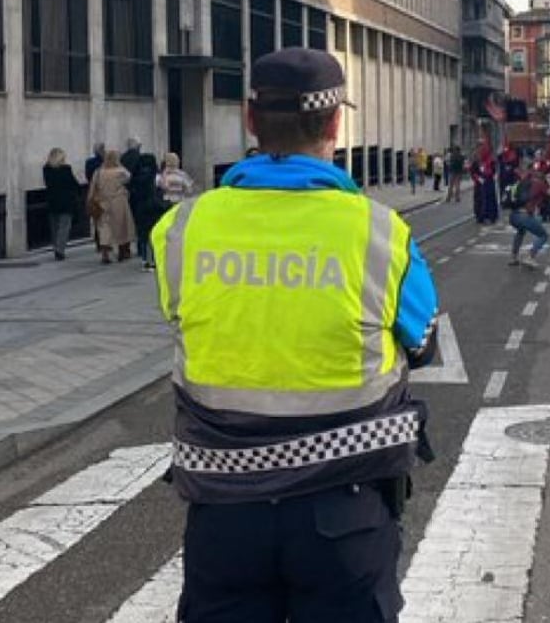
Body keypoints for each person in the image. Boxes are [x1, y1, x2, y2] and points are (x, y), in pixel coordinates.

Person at [151, 47, 438, 623]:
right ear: (334, 124)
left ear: (251, 121)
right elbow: (424, 342)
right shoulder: (380, 233)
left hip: (223, 511)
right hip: (344, 510)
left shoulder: (181, 228)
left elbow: (180, 317)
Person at [87, 150, 136, 264]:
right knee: (121, 226)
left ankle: (105, 252)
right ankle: (122, 251)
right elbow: (129, 179)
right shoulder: (121, 171)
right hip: (119, 201)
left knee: (104, 226)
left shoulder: (98, 172)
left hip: (102, 202)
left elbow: (93, 186)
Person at [508, 166, 550, 268]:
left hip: (513, 215)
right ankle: (530, 256)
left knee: (521, 231)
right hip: (525, 215)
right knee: (543, 235)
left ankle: (514, 257)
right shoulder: (540, 184)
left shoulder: (524, 181)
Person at [42, 148, 81, 261]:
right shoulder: (66, 169)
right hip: (66, 202)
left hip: (52, 201)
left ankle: (56, 248)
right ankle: (60, 250)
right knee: (64, 227)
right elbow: (73, 183)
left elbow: (47, 183)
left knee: (54, 227)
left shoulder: (46, 169)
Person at [131, 152, 162, 270]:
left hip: (140, 208)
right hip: (154, 208)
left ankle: (144, 259)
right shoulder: (155, 177)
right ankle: (153, 259)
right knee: (153, 234)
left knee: (143, 235)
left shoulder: (135, 177)